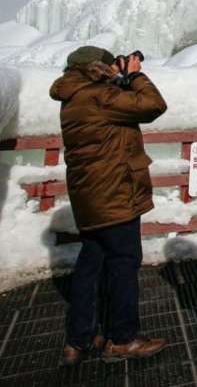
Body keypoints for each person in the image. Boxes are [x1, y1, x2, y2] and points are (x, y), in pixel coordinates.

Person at [49, 45, 169, 366]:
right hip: (114, 194)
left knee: (91, 264)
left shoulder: (75, 96)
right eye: (109, 65)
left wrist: (118, 77)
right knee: (124, 262)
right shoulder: (100, 97)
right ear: (96, 68)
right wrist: (135, 75)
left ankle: (80, 339)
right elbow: (154, 105)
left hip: (90, 197)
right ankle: (122, 338)